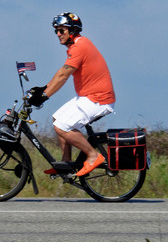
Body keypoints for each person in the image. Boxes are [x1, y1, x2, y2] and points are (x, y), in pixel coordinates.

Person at [28, 12, 115, 177]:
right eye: (56, 31)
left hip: (98, 99)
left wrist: (45, 96)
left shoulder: (80, 47)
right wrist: (43, 89)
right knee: (57, 118)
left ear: (73, 30)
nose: (58, 34)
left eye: (62, 30)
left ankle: (92, 155)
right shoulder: (76, 46)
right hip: (88, 97)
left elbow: (63, 76)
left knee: (61, 126)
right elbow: (62, 71)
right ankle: (66, 162)